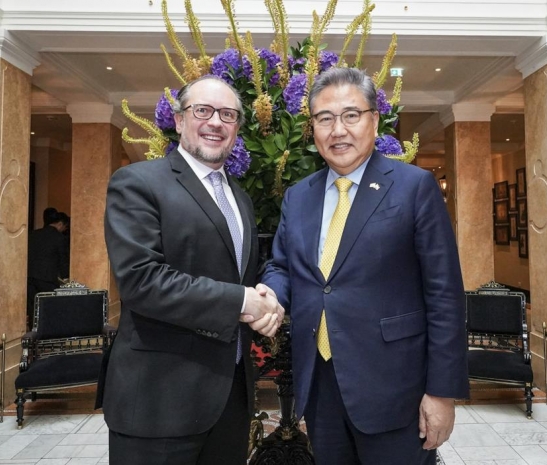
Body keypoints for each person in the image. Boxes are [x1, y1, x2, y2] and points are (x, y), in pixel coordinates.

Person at [261, 67, 468, 465]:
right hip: (319, 385)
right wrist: (271, 292)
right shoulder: (297, 196)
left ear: (374, 120)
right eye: (325, 118)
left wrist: (442, 393)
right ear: (312, 129)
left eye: (350, 115)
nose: (338, 130)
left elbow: (444, 294)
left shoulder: (414, 187)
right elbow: (284, 266)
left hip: (395, 387)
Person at [100, 75, 284, 465]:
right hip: (159, 399)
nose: (216, 122)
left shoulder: (239, 197)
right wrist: (242, 301)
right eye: (203, 110)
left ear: (237, 128)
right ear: (180, 120)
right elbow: (141, 281)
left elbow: (244, 271)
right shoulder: (137, 182)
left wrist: (268, 296)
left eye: (228, 114)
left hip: (231, 396)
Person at [26, 208, 70, 327]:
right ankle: (48, 332)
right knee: (49, 307)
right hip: (47, 278)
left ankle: (33, 334)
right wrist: (66, 278)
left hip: (29, 277)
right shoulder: (59, 238)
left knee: (33, 308)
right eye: (65, 227)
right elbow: (63, 260)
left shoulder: (33, 234)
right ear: (60, 224)